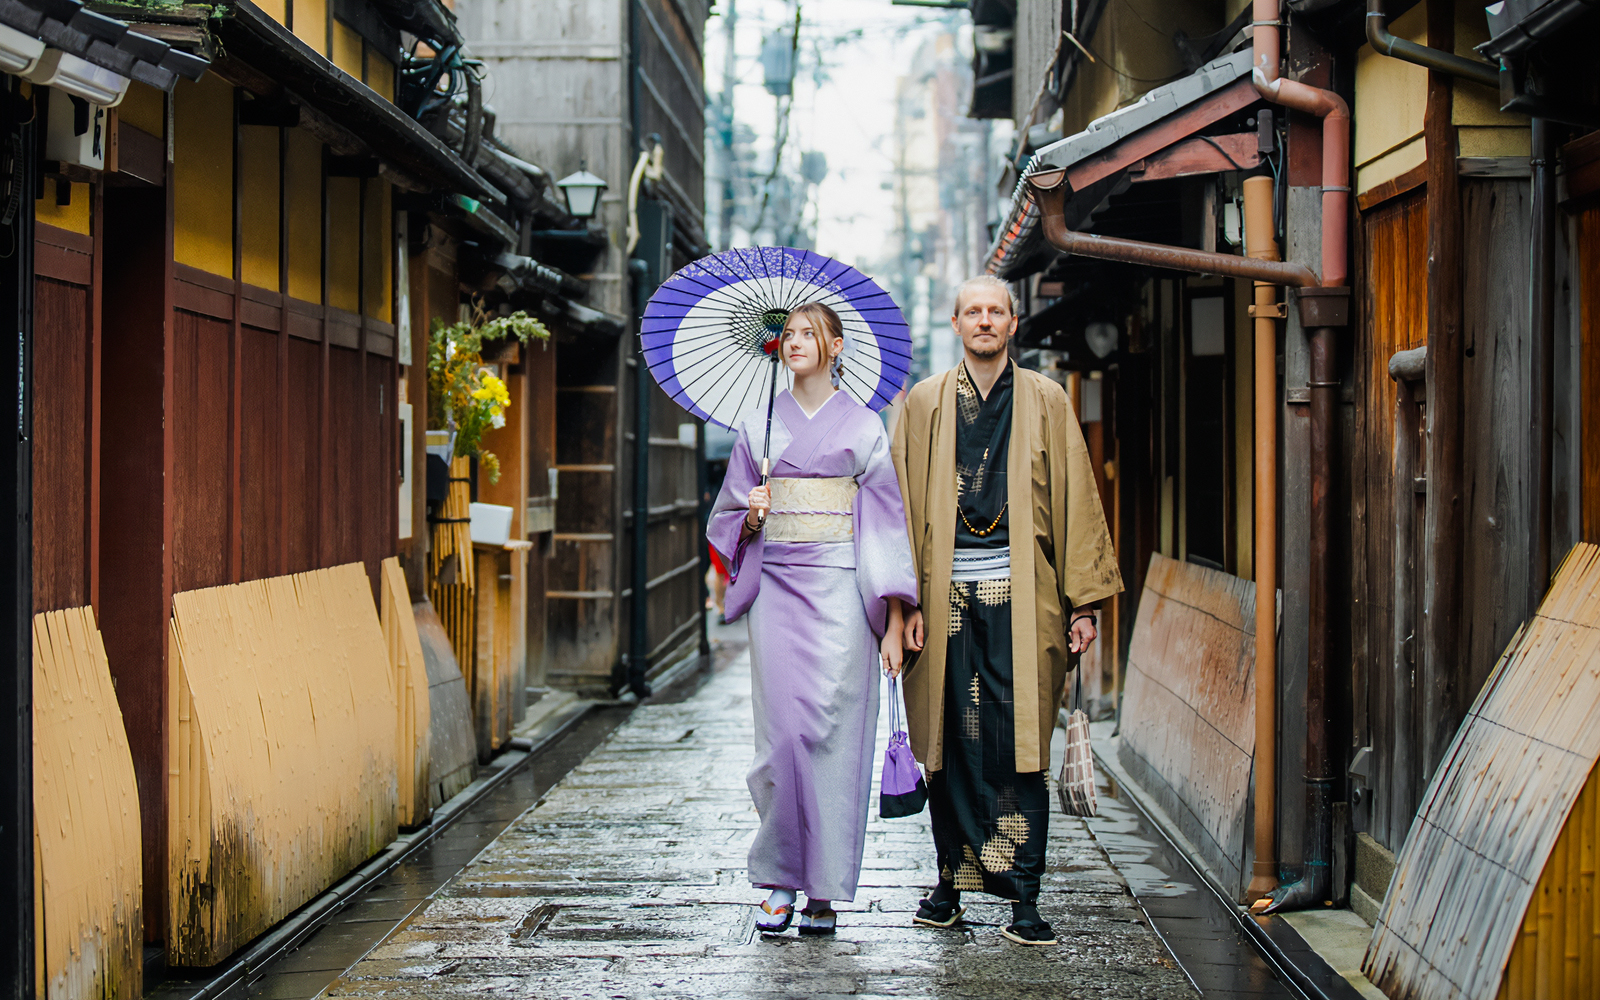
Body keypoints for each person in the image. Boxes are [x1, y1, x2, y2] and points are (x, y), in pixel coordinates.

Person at [890, 275, 1122, 946]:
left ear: (1013, 323)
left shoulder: (1046, 399)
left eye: (997, 311)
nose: (985, 321)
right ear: (956, 322)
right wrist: (901, 605)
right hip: (942, 601)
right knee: (948, 744)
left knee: (1020, 748)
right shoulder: (926, 402)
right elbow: (900, 509)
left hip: (1028, 601)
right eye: (974, 312)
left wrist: (1082, 604)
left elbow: (1076, 499)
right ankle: (949, 882)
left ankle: (1024, 895)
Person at [707, 302, 918, 937]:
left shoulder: (865, 426)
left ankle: (824, 889)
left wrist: (893, 618)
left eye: (809, 334)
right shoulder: (759, 424)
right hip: (775, 589)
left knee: (834, 736)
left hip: (842, 592)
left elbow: (883, 524)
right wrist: (752, 514)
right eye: (789, 334)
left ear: (835, 346)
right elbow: (726, 518)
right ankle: (778, 878)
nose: (796, 342)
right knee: (782, 739)